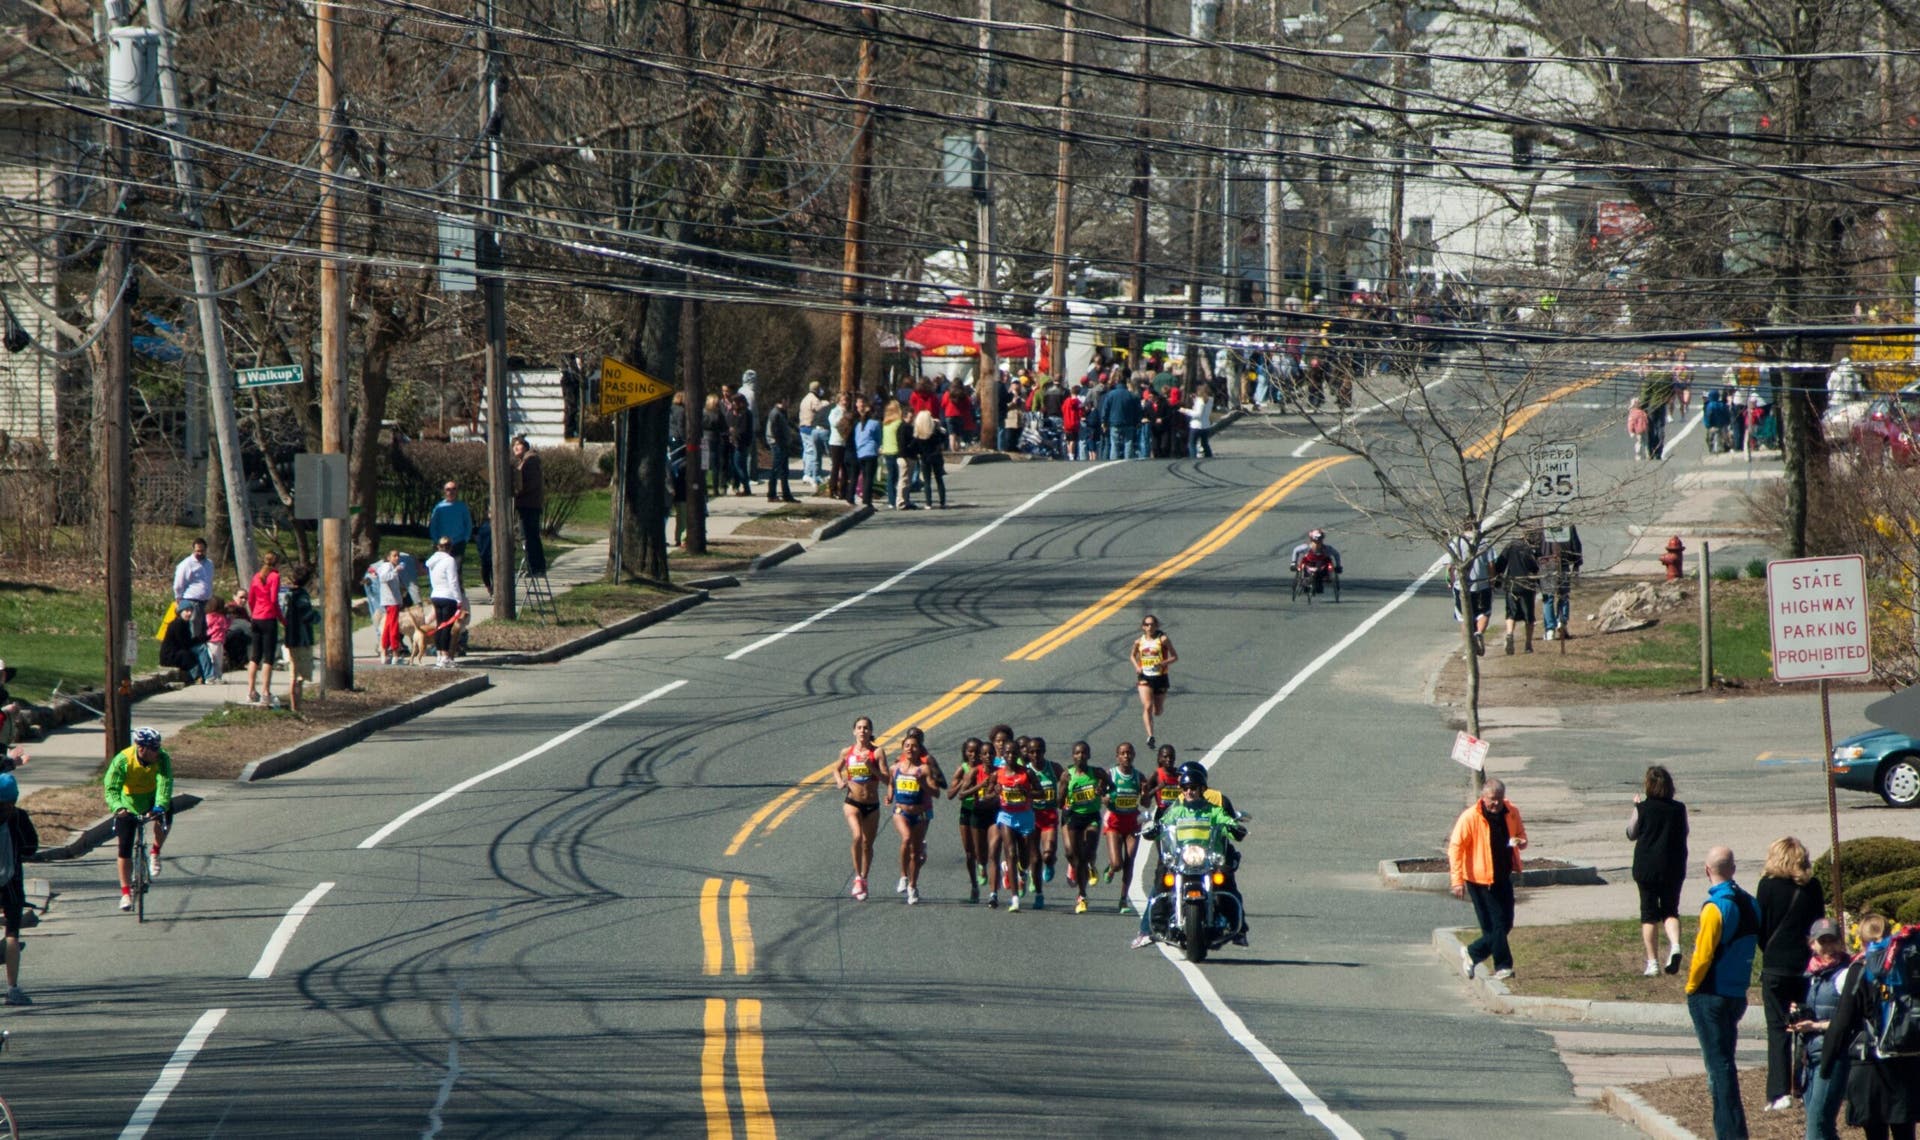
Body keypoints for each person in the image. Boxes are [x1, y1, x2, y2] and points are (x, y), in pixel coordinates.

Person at [1818, 912, 1920, 1140]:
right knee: (1906, 1133)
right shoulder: (1909, 965)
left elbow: (1843, 1020)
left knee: (1875, 1133)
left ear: (1862, 940)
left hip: (1870, 1064)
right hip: (1907, 1058)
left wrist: (1826, 1063)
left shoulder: (1860, 969)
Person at [1130, 762, 1248, 949]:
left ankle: (1238, 927)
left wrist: (1235, 827)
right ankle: (1154, 928)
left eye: (1193, 788)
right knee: (1160, 886)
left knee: (1227, 885)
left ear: (1202, 788)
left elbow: (1226, 822)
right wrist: (1152, 829)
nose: (1189, 791)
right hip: (1182, 859)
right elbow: (1162, 825)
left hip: (1207, 859)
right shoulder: (1176, 810)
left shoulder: (1213, 810)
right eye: (1185, 788)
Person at [1687, 845, 1761, 1140]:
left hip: (1711, 992)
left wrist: (1692, 986)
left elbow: (1703, 955)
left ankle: (1730, 1133)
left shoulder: (1715, 908)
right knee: (1726, 1062)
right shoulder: (1751, 904)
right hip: (1737, 992)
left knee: (1718, 1068)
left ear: (1707, 871)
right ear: (1734, 869)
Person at [1758, 836, 1828, 1111]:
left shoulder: (1767, 886)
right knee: (1807, 1025)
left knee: (1777, 1030)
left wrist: (1770, 950)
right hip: (1805, 965)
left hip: (1775, 965)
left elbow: (1761, 928)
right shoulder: (1812, 887)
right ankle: (1805, 1083)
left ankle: (1778, 1092)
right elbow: (1819, 925)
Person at [1448, 778, 1528, 981]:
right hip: (1479, 880)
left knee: (1506, 923)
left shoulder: (1511, 812)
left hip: (1503, 876)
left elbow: (1520, 835)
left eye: (1500, 799)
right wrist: (1457, 881)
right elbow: (1456, 848)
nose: (1496, 804)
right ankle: (1503, 966)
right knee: (1496, 926)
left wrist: (1520, 842)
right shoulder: (1470, 817)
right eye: (1492, 799)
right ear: (1483, 798)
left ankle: (1472, 953)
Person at [1792, 917, 1854, 1140]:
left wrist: (1816, 1025)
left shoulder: (1845, 974)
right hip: (1810, 1057)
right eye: (1822, 941)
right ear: (1812, 944)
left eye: (1832, 941)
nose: (1827, 947)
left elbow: (1849, 1021)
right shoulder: (1810, 975)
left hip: (1834, 1057)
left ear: (1840, 943)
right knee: (1822, 1127)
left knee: (1816, 1127)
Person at [1627, 764, 1689, 976]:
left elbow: (1631, 833)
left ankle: (1652, 963)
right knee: (1671, 909)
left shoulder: (1642, 808)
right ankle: (1675, 946)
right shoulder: (1679, 809)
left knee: (1649, 913)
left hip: (1647, 867)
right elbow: (1685, 832)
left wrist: (1636, 807)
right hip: (1673, 865)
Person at [104, 726, 173, 912]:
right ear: (141, 748)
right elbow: (111, 788)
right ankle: (126, 893)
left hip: (152, 800)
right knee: (124, 847)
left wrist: (160, 805)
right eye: (154, 749)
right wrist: (118, 807)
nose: (158, 752)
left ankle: (155, 852)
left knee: (167, 813)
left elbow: (165, 784)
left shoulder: (163, 758)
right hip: (128, 804)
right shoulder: (122, 760)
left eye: (159, 748)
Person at [833, 717, 886, 901]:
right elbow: (836, 768)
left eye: (866, 728)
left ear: (871, 732)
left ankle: (864, 878)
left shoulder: (877, 752)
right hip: (852, 802)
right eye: (859, 728)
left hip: (872, 804)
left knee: (867, 844)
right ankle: (857, 877)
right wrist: (840, 781)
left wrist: (871, 767)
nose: (862, 731)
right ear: (854, 731)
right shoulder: (847, 752)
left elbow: (887, 779)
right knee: (857, 836)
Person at [1058, 741, 1108, 914]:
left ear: (1089, 755)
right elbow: (1059, 803)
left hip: (1091, 817)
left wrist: (1104, 791)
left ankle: (1091, 865)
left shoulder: (1097, 773)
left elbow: (1111, 788)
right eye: (1077, 753)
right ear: (1073, 755)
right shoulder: (1068, 775)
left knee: (1089, 850)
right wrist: (1063, 787)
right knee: (1077, 857)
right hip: (1074, 818)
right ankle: (1082, 895)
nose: (1081, 756)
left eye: (1084, 753)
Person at [988, 746, 1039, 912]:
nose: (1010, 755)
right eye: (1007, 753)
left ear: (1018, 755)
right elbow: (987, 795)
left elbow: (1042, 793)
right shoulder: (997, 774)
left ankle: (1022, 872)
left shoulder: (1027, 773)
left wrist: (1028, 793)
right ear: (1003, 755)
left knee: (1024, 859)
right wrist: (995, 792)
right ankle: (1014, 898)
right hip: (1006, 816)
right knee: (1011, 852)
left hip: (1025, 817)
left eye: (1013, 753)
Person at [888, 733, 936, 906]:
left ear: (919, 749)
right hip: (901, 811)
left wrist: (922, 782)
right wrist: (889, 795)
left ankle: (913, 887)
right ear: (903, 749)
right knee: (906, 838)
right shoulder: (895, 767)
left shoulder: (924, 769)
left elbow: (935, 793)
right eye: (907, 745)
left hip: (921, 814)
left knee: (915, 852)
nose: (910, 749)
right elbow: (890, 782)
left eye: (914, 746)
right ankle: (903, 876)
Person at [0, 774, 34, 1005]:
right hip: (11, 883)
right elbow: (31, 846)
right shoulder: (18, 817)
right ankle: (12, 988)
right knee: (12, 933)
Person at [946, 738, 993, 903]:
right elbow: (950, 795)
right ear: (965, 753)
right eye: (969, 751)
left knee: (983, 850)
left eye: (975, 751)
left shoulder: (987, 769)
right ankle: (974, 885)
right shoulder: (963, 769)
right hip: (967, 811)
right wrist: (962, 782)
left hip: (984, 812)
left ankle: (983, 865)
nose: (972, 755)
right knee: (969, 852)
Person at [1102, 741, 1144, 914]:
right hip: (1115, 823)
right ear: (1117, 756)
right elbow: (1101, 793)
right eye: (1123, 753)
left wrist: (1145, 793)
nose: (1126, 756)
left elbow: (1147, 801)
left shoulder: (1139, 776)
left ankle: (1123, 900)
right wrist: (1105, 799)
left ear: (1133, 755)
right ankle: (1111, 868)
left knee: (1130, 860)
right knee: (1118, 863)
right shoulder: (1110, 774)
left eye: (1129, 753)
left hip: (1133, 823)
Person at [1024, 737, 1062, 906]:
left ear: (1044, 751)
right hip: (1031, 816)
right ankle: (1039, 894)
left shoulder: (1053, 768)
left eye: (1038, 751)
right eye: (1031, 752)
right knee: (1035, 858)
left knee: (1047, 853)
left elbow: (1069, 780)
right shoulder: (1025, 771)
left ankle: (1051, 863)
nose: (1035, 755)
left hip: (1049, 815)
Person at [172, 536, 217, 679]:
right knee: (195, 637)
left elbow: (208, 581)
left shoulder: (209, 564)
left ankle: (205, 671)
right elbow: (179, 584)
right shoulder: (186, 564)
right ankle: (202, 673)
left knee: (202, 635)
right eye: (197, 551)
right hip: (191, 601)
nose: (200, 553)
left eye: (202, 551)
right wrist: (179, 599)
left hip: (205, 602)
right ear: (193, 549)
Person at [1130, 614, 1177, 749]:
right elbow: (1132, 656)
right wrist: (1137, 667)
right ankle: (1150, 735)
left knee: (1157, 710)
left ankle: (1158, 710)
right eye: (1147, 624)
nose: (1150, 627)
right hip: (1145, 677)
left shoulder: (1163, 640)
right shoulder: (1139, 642)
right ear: (1143, 627)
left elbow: (1174, 657)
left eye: (1152, 624)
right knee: (1147, 706)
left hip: (1160, 677)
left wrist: (1163, 663)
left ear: (1156, 626)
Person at [1494, 527, 1542, 654]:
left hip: (1512, 584)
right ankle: (1528, 644)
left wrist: (1497, 580)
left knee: (1511, 612)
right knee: (1529, 616)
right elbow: (1536, 568)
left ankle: (1510, 634)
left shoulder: (1511, 545)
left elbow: (1499, 564)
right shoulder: (1533, 550)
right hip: (1527, 585)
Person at [1448, 526, 1494, 656]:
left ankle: (1468, 648)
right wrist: (1492, 580)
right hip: (1481, 584)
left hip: (1461, 585)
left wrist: (1450, 581)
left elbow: (1450, 567)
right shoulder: (1483, 541)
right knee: (1484, 612)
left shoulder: (1456, 541)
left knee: (1464, 618)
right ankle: (1479, 633)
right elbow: (1491, 564)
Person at [247, 551, 283, 706]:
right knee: (268, 657)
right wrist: (282, 618)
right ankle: (265, 692)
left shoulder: (256, 577)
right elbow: (274, 600)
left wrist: (255, 612)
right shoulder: (274, 577)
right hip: (269, 618)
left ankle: (251, 691)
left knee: (255, 655)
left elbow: (250, 599)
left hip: (256, 618)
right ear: (276, 563)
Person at [281, 563, 320, 709]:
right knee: (299, 677)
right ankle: (297, 706)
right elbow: (307, 616)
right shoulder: (302, 596)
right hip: (301, 639)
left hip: (290, 638)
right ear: (308, 581)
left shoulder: (288, 594)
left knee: (293, 674)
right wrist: (318, 615)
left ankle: (294, 706)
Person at [425, 538, 465, 670]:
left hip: (436, 595)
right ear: (450, 547)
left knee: (439, 626)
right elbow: (453, 581)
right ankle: (445, 657)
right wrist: (459, 599)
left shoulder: (432, 561)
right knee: (446, 627)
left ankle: (439, 655)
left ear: (438, 547)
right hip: (448, 596)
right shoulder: (449, 560)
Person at [510, 435, 547, 573]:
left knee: (528, 537)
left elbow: (529, 484)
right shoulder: (525, 461)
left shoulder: (530, 460)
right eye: (514, 446)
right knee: (530, 536)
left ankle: (535, 566)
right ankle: (535, 566)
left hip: (528, 505)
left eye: (518, 445)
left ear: (525, 446)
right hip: (528, 504)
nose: (515, 448)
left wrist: (516, 493)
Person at [1539, 524, 1583, 641]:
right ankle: (1562, 622)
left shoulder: (1542, 524)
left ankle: (1550, 629)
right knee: (1563, 595)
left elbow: (1537, 545)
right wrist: (1577, 564)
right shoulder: (1568, 525)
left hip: (1546, 563)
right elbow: (1576, 545)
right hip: (1563, 563)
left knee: (1548, 597)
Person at [366, 550, 407, 666]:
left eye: (398, 556)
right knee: (393, 626)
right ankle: (395, 653)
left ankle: (384, 650)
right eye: (394, 556)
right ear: (388, 557)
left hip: (392, 600)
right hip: (391, 601)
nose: (397, 558)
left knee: (389, 626)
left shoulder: (387, 566)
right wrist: (395, 571)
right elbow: (384, 578)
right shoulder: (387, 566)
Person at [428, 482, 474, 576]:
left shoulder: (462, 507)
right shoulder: (439, 507)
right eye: (448, 489)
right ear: (444, 491)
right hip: (442, 544)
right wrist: (436, 540)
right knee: (441, 570)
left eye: (454, 489)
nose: (451, 492)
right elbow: (433, 525)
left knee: (456, 572)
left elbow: (468, 524)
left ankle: (457, 590)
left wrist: (465, 538)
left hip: (458, 543)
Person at [764, 396, 799, 504]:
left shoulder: (782, 412)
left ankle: (786, 494)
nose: (788, 403)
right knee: (776, 469)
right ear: (783, 400)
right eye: (787, 400)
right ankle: (771, 494)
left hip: (783, 445)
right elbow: (774, 431)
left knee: (784, 470)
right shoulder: (775, 413)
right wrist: (780, 442)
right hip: (777, 445)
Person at [1290, 528, 1342, 595]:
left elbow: (1336, 554)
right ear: (1311, 540)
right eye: (1315, 541)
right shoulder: (1306, 547)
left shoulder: (1327, 549)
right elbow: (1296, 550)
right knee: (1303, 565)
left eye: (1319, 541)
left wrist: (1338, 566)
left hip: (1322, 569)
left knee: (1327, 564)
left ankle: (1318, 584)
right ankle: (1306, 583)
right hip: (1308, 567)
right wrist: (1293, 563)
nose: (1317, 543)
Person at [851, 396, 881, 507]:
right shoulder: (875, 424)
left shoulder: (858, 425)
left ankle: (864, 497)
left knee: (864, 476)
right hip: (871, 452)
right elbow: (878, 439)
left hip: (860, 453)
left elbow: (856, 439)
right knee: (869, 478)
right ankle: (867, 501)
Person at [799, 382, 829, 487]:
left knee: (806, 451)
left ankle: (806, 473)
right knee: (812, 452)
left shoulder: (805, 398)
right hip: (809, 427)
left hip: (802, 427)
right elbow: (820, 409)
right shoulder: (814, 399)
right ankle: (810, 474)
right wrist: (825, 403)